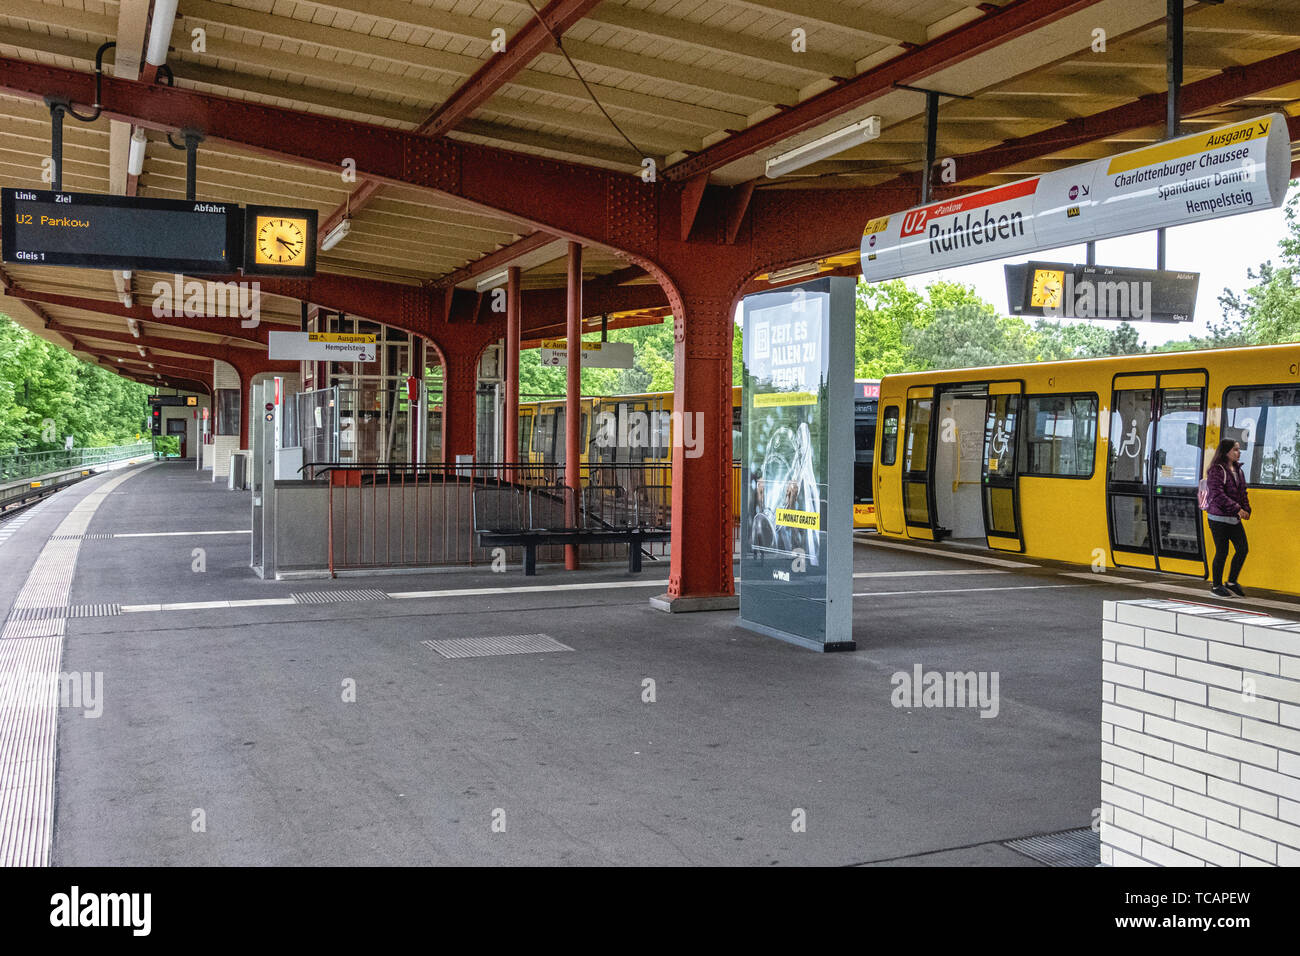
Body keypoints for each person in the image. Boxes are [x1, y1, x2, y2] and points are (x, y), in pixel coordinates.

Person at [1205, 439, 1251, 598]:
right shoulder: (1216, 470)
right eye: (1235, 450)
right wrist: (1238, 509)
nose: (1239, 452)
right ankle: (1216, 586)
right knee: (1222, 551)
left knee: (1243, 548)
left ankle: (1231, 581)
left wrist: (1246, 509)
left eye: (1238, 449)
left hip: (1233, 519)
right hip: (1217, 519)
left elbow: (1242, 492)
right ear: (1226, 452)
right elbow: (1217, 495)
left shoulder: (1238, 470)